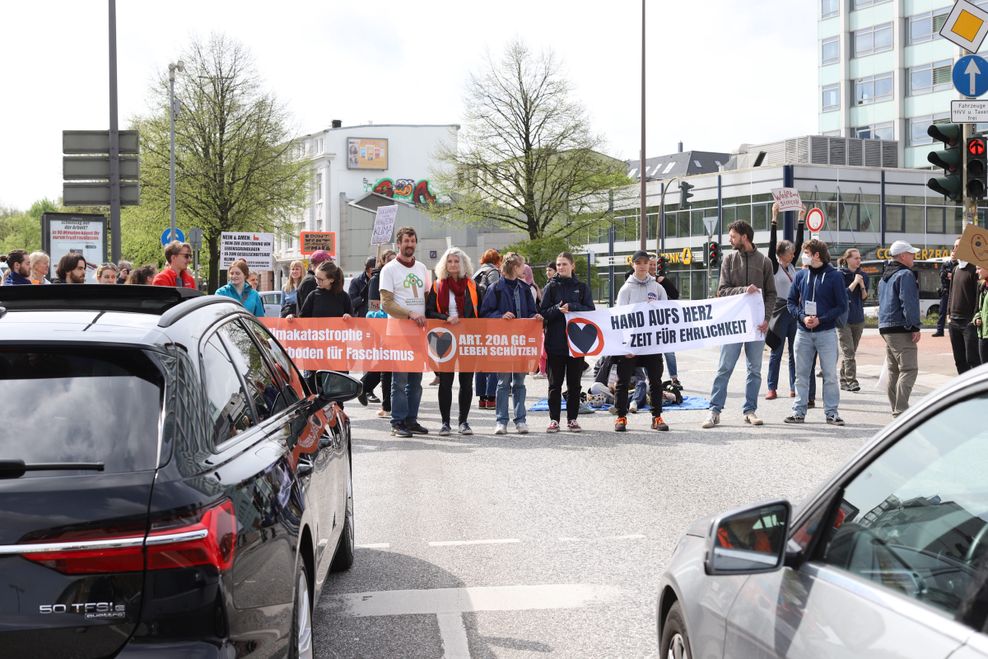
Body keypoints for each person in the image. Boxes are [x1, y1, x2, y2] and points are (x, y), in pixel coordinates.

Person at [703, 221, 776, 429]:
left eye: (733, 236)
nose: (730, 240)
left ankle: (750, 411)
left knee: (754, 370)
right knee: (724, 368)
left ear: (744, 237)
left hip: (756, 326)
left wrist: (766, 319)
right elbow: (722, 290)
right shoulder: (729, 259)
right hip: (733, 325)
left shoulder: (764, 262)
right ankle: (714, 411)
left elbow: (771, 294)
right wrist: (744, 290)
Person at [785, 239, 849, 426]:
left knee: (829, 375)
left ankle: (831, 413)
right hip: (803, 332)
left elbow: (841, 306)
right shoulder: (800, 275)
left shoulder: (834, 276)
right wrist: (803, 317)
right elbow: (790, 302)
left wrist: (822, 318)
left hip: (826, 332)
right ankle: (798, 412)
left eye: (806, 252)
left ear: (817, 255)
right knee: (801, 374)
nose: (803, 255)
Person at [481, 252, 541, 435]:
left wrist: (535, 316)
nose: (524, 268)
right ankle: (501, 421)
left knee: (520, 382)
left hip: (521, 342)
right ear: (515, 268)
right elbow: (485, 313)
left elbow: (531, 310)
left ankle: (520, 420)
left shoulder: (524, 288)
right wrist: (500, 316)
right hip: (503, 342)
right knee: (503, 382)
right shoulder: (495, 288)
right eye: (522, 265)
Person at [380, 227, 431, 438]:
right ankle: (397, 422)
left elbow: (428, 297)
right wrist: (410, 313)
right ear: (398, 244)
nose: (409, 244)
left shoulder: (422, 268)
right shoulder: (389, 269)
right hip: (398, 333)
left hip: (418, 333)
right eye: (406, 241)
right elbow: (386, 304)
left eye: (412, 241)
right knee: (399, 381)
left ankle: (411, 420)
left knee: (415, 382)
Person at [613, 250, 669, 432]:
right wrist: (623, 344)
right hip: (631, 344)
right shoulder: (626, 289)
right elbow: (619, 318)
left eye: (646, 262)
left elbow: (666, 314)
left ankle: (657, 417)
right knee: (623, 381)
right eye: (639, 262)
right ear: (633, 265)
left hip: (651, 343)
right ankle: (621, 417)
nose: (643, 265)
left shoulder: (658, 288)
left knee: (655, 381)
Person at [426, 247, 479, 435]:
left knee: (466, 382)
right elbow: (428, 311)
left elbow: (480, 313)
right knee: (446, 381)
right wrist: (444, 318)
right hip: (444, 338)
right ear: (445, 264)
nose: (453, 264)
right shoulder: (437, 285)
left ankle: (463, 422)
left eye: (457, 261)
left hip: (467, 338)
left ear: (463, 264)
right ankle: (445, 423)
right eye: (450, 261)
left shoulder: (472, 286)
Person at [540, 251, 595, 433]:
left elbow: (590, 311)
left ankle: (572, 419)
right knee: (554, 385)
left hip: (577, 344)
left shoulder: (582, 287)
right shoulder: (551, 287)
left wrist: (573, 307)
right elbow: (542, 313)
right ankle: (554, 420)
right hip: (555, 343)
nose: (561, 267)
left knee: (574, 384)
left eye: (564, 264)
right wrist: (557, 309)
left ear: (572, 266)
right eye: (558, 264)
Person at [766, 203, 805, 400]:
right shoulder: (774, 266)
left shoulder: (791, 266)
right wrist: (775, 217)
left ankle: (793, 386)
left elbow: (799, 242)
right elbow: (772, 245)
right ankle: (771, 387)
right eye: (790, 253)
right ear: (782, 254)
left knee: (794, 353)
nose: (793, 254)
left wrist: (801, 218)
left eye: (793, 253)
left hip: (793, 312)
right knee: (776, 351)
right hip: (779, 312)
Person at [878, 241, 922, 417]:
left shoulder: (884, 277)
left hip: (886, 328)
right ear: (903, 256)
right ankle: (901, 410)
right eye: (911, 253)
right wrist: (914, 325)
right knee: (909, 369)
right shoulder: (905, 274)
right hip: (900, 328)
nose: (914, 256)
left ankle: (896, 407)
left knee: (894, 370)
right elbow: (908, 302)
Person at [359, 250, 396, 412]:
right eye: (390, 260)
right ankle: (385, 403)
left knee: (386, 364)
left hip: (397, 327)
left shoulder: (398, 276)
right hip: (382, 327)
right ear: (383, 261)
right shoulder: (377, 278)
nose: (394, 263)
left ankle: (363, 386)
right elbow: (374, 307)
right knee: (386, 366)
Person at [946, 237, 982, 374]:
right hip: (954, 322)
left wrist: (974, 318)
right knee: (959, 360)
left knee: (972, 359)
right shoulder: (955, 269)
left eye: (958, 246)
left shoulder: (974, 269)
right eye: (954, 246)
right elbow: (951, 293)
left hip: (968, 322)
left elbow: (978, 295)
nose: (954, 249)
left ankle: (977, 391)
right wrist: (949, 313)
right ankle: (964, 391)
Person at [473, 249, 503, 410]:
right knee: (493, 359)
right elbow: (496, 294)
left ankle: (481, 397)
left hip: (476, 321)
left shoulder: (476, 273)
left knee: (480, 361)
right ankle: (491, 397)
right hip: (490, 320)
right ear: (497, 260)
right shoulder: (493, 273)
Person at [837, 248, 868, 392]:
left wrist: (861, 285)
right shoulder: (839, 275)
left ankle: (843, 380)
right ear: (847, 259)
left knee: (851, 352)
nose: (858, 261)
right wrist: (855, 282)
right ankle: (852, 381)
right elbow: (842, 295)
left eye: (859, 258)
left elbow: (864, 297)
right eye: (855, 258)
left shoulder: (863, 275)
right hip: (844, 319)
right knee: (848, 352)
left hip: (858, 318)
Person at [650, 255, 682, 387]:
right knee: (650, 353)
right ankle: (649, 379)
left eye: (653, 265)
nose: (651, 267)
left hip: (663, 322)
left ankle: (674, 378)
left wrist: (663, 281)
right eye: (649, 264)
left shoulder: (661, 281)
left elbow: (675, 294)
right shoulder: (637, 280)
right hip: (648, 323)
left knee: (669, 351)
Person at [293, 250, 332, 317]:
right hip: (312, 325)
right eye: (327, 264)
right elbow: (307, 310)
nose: (330, 268)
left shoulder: (310, 280)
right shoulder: (310, 282)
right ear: (319, 265)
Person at [934, 257, 955, 337]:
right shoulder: (945, 264)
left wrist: (950, 275)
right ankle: (940, 331)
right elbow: (941, 274)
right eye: (953, 253)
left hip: (954, 292)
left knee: (953, 313)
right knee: (942, 311)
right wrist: (948, 275)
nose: (954, 256)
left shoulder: (958, 265)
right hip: (945, 292)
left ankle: (952, 331)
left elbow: (957, 276)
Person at [976, 266, 988, 364]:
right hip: (983, 334)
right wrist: (977, 318)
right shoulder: (983, 287)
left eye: (979, 268)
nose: (976, 271)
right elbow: (980, 310)